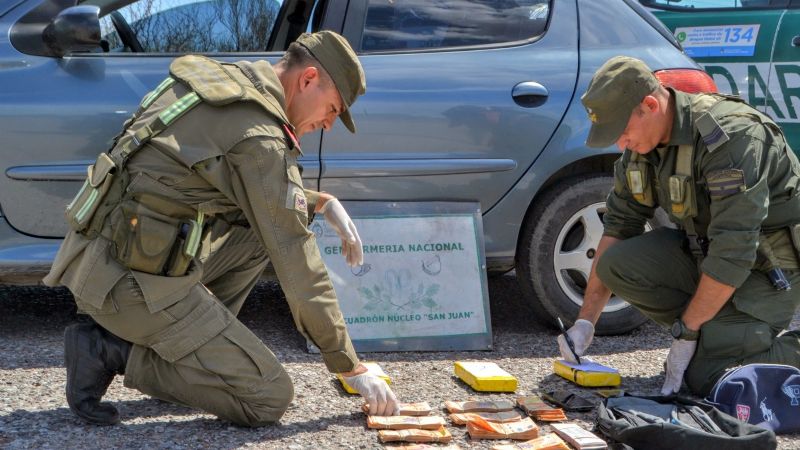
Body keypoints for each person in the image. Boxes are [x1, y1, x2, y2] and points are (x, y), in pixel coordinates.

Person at [44, 31, 399, 426]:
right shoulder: (258, 135)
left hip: (105, 258)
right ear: (308, 79)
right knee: (266, 398)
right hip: (125, 284)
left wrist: (323, 203)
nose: (328, 124)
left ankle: (190, 353)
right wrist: (348, 364)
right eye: (332, 109)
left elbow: (259, 198)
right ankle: (111, 350)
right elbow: (296, 254)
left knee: (256, 235)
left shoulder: (222, 85)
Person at [557, 55, 800, 396]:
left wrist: (686, 334)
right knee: (617, 265)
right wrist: (585, 322)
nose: (620, 144)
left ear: (650, 105)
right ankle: (716, 331)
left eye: (622, 131)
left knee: (708, 377)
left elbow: (734, 250)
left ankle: (725, 341)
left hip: (768, 268)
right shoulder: (644, 143)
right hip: (710, 257)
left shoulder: (730, 137)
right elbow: (619, 223)